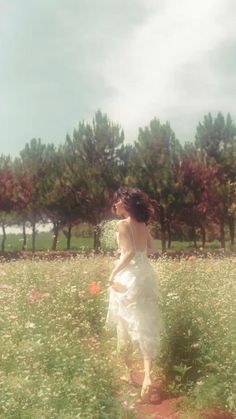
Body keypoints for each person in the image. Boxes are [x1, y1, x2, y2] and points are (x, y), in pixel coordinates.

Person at [106, 187, 162, 402]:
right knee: (145, 324)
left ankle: (128, 373)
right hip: (145, 277)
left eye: (118, 202)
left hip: (127, 278)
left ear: (126, 204)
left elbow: (128, 254)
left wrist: (113, 273)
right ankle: (147, 376)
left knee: (124, 325)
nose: (115, 205)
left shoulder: (122, 224)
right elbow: (152, 249)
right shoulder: (143, 224)